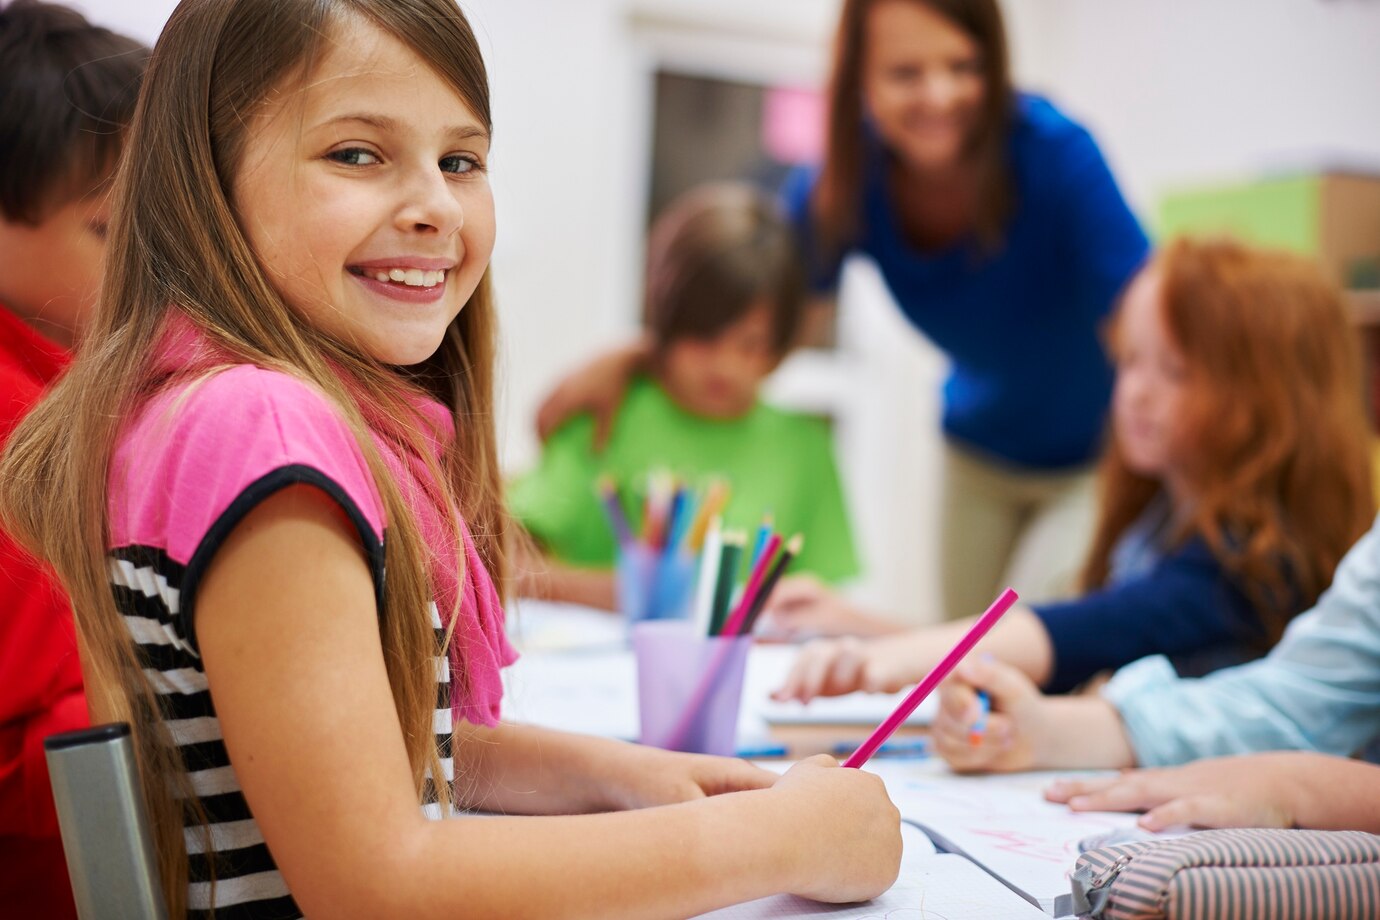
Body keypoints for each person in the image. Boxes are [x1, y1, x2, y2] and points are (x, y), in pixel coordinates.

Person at [0, 1, 901, 916]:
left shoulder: (198, 400)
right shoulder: (261, 426)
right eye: (356, 153)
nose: (434, 205)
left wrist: (631, 776)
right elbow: (375, 884)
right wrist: (782, 840)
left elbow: (367, 740)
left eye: (461, 160)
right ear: (206, 179)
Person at [534, 0, 1150, 621]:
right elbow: (753, 308)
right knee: (962, 654)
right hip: (980, 447)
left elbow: (1149, 329)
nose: (938, 93)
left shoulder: (1059, 156)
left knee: (1023, 639)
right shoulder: (845, 181)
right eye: (906, 73)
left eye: (963, 65)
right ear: (860, 79)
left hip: (1093, 453)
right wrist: (644, 353)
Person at [773, 239, 1373, 700]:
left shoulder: (1260, 563)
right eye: (1131, 360)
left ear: (1269, 400)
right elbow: (1059, 645)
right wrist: (858, 629)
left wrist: (888, 658)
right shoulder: (1158, 521)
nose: (1136, 392)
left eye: (1176, 371)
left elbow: (1084, 633)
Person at [509, 183, 859, 610]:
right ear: (667, 319)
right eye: (704, 339)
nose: (724, 365)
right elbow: (507, 561)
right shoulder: (608, 412)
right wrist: (625, 595)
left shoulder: (804, 448)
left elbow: (820, 606)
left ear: (781, 343)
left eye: (750, 344)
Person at [0, 2, 147, 915]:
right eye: (109, 231)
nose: (148, 266)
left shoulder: (82, 385)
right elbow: (31, 748)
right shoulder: (22, 430)